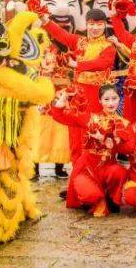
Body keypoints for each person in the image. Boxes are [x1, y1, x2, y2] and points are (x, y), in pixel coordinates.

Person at [50, 83, 129, 217]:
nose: (111, 103)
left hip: (107, 168)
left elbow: (130, 147)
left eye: (114, 98)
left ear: (119, 99)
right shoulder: (90, 118)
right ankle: (94, 196)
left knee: (119, 171)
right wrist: (63, 99)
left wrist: (107, 139)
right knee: (91, 196)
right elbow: (60, 117)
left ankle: (110, 195)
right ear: (99, 101)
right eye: (106, 99)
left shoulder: (124, 123)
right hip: (87, 168)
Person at [43, 8, 117, 113]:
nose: (95, 28)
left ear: (105, 25)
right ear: (86, 25)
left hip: (99, 92)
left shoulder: (108, 46)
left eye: (99, 24)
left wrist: (76, 64)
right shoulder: (79, 41)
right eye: (91, 24)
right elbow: (61, 34)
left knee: (95, 123)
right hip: (79, 89)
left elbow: (102, 63)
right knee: (77, 120)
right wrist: (45, 21)